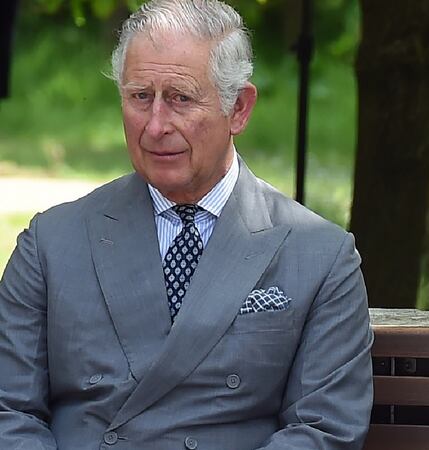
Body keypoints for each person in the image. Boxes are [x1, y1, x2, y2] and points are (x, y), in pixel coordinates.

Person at [0, 1, 373, 448]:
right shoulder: (51, 243)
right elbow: (9, 410)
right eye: (141, 97)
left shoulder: (319, 257)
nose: (156, 125)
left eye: (180, 98)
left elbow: (323, 429)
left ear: (238, 108)